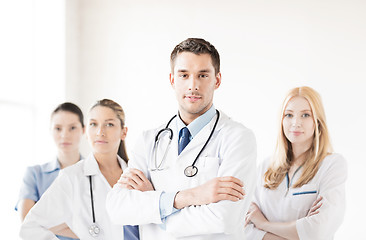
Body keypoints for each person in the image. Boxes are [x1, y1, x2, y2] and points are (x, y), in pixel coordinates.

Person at [106, 38, 257, 239]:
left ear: (217, 80)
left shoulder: (238, 138)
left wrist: (155, 209)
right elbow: (118, 208)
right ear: (172, 80)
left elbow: (224, 218)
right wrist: (191, 196)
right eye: (184, 75)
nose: (193, 85)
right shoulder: (149, 140)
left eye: (202, 75)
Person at [20, 99, 139, 240]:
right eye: (93, 124)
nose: (100, 132)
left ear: (123, 132)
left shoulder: (137, 174)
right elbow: (30, 227)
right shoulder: (71, 177)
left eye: (109, 124)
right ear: (86, 131)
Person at [244, 86, 347, 240]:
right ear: (282, 120)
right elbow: (244, 228)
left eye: (305, 115)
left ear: (317, 121)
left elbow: (318, 230)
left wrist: (264, 224)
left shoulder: (332, 165)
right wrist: (299, 231)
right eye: (289, 115)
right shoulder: (265, 167)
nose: (296, 123)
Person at [16, 102, 84, 239]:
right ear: (50, 130)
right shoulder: (34, 174)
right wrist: (84, 229)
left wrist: (48, 225)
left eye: (72, 128)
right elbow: (28, 224)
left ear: (83, 130)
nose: (65, 135)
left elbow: (105, 227)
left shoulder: (96, 173)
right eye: (58, 128)